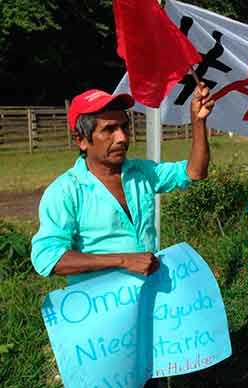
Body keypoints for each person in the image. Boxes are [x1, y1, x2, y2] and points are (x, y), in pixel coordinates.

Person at [31, 84, 214, 386]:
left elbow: (195, 171)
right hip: (103, 321)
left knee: (149, 376)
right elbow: (47, 259)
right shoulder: (65, 192)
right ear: (81, 140)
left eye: (125, 128)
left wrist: (199, 121)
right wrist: (121, 260)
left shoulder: (140, 173)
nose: (123, 138)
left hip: (148, 306)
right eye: (109, 130)